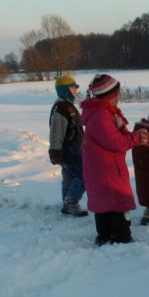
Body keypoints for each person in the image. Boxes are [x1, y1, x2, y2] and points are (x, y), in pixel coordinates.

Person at [80, 74, 149, 245]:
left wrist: (137, 135)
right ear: (111, 95)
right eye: (118, 92)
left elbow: (119, 135)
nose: (120, 96)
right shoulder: (101, 115)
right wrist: (137, 139)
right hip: (107, 168)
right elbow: (115, 142)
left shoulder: (107, 113)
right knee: (116, 201)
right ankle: (121, 238)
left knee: (105, 202)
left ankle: (105, 236)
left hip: (104, 167)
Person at [48, 72, 88, 217]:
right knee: (83, 175)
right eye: (72, 87)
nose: (75, 90)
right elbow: (56, 132)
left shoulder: (68, 106)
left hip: (74, 147)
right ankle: (71, 202)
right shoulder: (62, 108)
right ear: (65, 89)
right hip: (69, 148)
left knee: (70, 175)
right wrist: (55, 150)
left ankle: (67, 200)